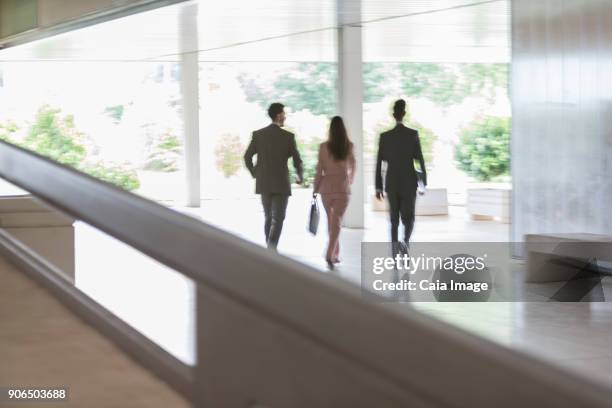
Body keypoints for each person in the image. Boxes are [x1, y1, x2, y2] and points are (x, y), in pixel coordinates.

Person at [244, 103, 303, 250]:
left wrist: (255, 173)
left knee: (269, 217)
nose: (285, 117)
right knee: (279, 218)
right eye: (284, 114)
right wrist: (299, 175)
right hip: (281, 183)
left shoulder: (258, 135)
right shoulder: (288, 137)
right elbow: (297, 160)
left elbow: (247, 157)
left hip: (263, 183)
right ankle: (271, 248)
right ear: (278, 115)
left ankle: (270, 250)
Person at [375, 99, 426, 252]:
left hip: (391, 183)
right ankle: (405, 241)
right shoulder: (413, 135)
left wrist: (378, 186)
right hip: (409, 183)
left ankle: (394, 252)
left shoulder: (385, 137)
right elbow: (419, 161)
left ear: (393, 114)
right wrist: (423, 183)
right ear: (403, 113)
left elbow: (379, 163)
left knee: (393, 220)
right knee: (409, 218)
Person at [313, 116, 356, 268]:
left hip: (326, 189)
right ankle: (331, 253)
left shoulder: (323, 147)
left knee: (332, 222)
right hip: (342, 189)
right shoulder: (348, 146)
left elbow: (319, 171)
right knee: (336, 221)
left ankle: (334, 254)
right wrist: (350, 178)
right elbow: (353, 164)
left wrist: (315, 189)